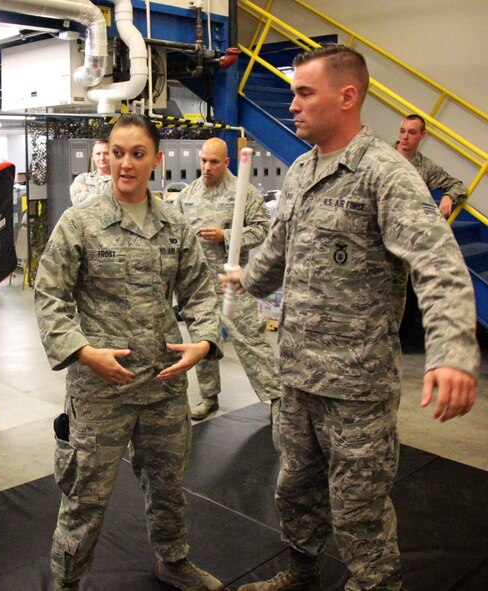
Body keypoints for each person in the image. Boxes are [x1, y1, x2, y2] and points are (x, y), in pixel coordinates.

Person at [222, 45, 479, 591]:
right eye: (291, 92)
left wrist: (453, 353)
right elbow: (278, 250)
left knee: (359, 511)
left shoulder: (384, 173)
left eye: (303, 92)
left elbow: (438, 263)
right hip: (296, 377)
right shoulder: (299, 171)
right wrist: (245, 277)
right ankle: (302, 572)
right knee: (294, 491)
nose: (292, 103)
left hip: (355, 389)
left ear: (347, 96)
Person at [35, 113, 224, 591]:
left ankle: (173, 562)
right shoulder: (81, 222)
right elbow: (50, 294)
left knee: (167, 486)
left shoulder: (175, 225)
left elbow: (200, 291)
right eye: (117, 153)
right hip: (101, 386)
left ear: (156, 160)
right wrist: (81, 352)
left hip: (162, 382)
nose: (125, 163)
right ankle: (66, 581)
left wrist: (203, 340)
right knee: (86, 496)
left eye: (137, 154)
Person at [175, 138, 281, 421]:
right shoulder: (188, 195)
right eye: (203, 161)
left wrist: (227, 236)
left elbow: (263, 229)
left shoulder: (242, 192)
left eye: (213, 162)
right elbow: (175, 233)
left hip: (232, 283)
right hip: (198, 286)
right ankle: (209, 397)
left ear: (226, 162)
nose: (207, 167)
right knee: (202, 341)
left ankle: (276, 398)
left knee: (250, 341)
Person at [395, 113, 468, 218]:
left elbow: (458, 186)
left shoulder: (426, 167)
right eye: (402, 131)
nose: (405, 136)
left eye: (412, 132)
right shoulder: (381, 155)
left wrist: (449, 197)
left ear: (423, 135)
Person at [69, 138, 111, 206]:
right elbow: (76, 201)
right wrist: (106, 198)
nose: (102, 158)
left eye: (106, 153)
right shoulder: (83, 178)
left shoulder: (120, 180)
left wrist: (87, 192)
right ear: (93, 156)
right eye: (98, 154)